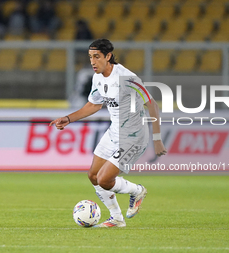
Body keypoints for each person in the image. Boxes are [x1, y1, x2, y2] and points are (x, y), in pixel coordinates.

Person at [50, 39, 167, 228]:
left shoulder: (127, 78)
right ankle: (117, 218)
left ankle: (137, 191)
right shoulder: (97, 78)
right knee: (93, 175)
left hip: (133, 136)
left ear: (108, 56)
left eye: (97, 57)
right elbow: (94, 104)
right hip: (114, 131)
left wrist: (157, 139)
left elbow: (152, 104)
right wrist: (69, 118)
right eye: (90, 57)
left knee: (105, 179)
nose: (93, 61)